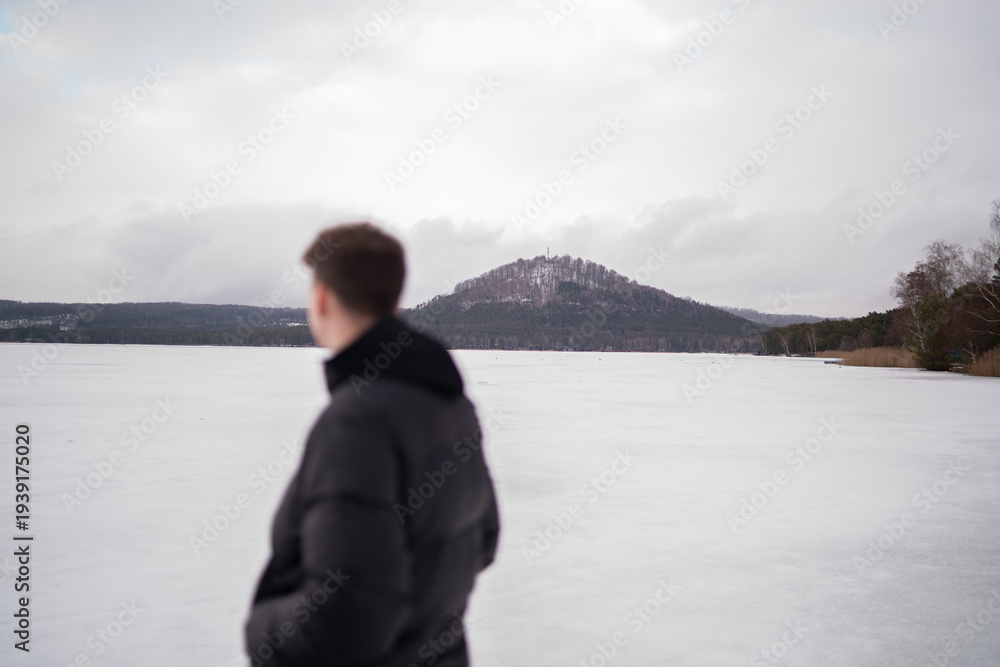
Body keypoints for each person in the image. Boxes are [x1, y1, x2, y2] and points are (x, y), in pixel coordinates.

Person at [244, 222, 500, 667]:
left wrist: (263, 631)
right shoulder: (451, 403)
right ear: (393, 300)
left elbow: (347, 620)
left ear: (322, 299)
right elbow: (483, 539)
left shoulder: (355, 422)